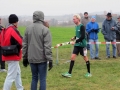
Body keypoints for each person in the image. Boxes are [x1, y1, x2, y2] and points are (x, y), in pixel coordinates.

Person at [22, 11, 53, 90]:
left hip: (31, 58)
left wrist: (24, 57)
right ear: (42, 17)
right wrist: (50, 59)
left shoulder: (27, 29)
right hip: (42, 59)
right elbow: (47, 47)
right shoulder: (45, 29)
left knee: (34, 78)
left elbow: (24, 45)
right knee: (42, 79)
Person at [1, 14, 23, 90]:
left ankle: (20, 88)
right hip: (13, 55)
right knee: (10, 77)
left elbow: (1, 42)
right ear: (15, 22)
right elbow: (21, 41)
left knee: (17, 73)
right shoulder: (12, 29)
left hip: (7, 54)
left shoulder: (4, 30)